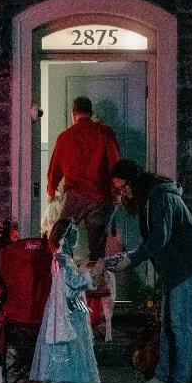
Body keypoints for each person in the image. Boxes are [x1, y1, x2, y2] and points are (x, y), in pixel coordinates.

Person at [109, 159, 192, 383]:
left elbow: (159, 238)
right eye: (117, 189)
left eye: (122, 187)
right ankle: (161, 376)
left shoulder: (160, 198)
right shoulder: (148, 200)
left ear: (133, 181)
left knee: (180, 325)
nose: (122, 193)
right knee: (167, 324)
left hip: (190, 266)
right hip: (176, 269)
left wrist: (131, 260)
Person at [30, 218, 101, 383]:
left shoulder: (61, 257)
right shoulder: (63, 259)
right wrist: (92, 273)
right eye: (74, 233)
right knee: (66, 345)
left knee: (70, 345)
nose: (76, 236)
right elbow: (75, 283)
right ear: (66, 236)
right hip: (67, 308)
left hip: (68, 305)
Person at [47, 96, 121, 261]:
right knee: (97, 251)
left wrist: (50, 191)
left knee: (59, 242)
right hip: (100, 197)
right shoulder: (106, 133)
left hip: (74, 197)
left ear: (74, 114)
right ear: (91, 112)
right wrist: (117, 192)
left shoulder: (64, 137)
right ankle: (96, 283)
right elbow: (116, 166)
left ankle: (66, 279)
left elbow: (55, 169)